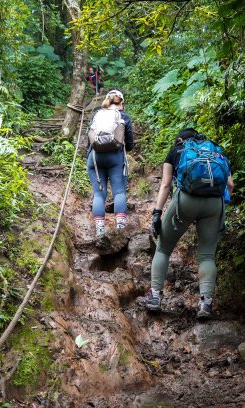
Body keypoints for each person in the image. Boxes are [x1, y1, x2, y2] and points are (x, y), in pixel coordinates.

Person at [140, 127, 234, 319]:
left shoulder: (177, 151)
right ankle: (205, 304)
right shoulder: (215, 151)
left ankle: (155, 296)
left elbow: (166, 184)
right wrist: (218, 208)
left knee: (164, 248)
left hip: (185, 202)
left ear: (180, 139)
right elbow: (230, 185)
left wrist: (157, 213)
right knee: (207, 255)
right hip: (214, 204)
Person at [87, 89, 134, 237]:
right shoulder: (124, 116)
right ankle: (120, 229)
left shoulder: (97, 114)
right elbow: (130, 144)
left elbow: (89, 139)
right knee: (119, 192)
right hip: (115, 158)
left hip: (95, 158)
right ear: (122, 102)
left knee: (99, 194)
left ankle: (100, 230)